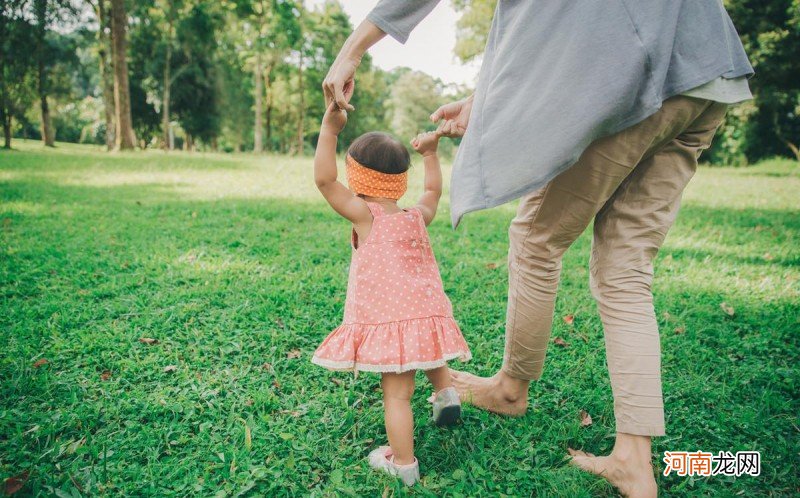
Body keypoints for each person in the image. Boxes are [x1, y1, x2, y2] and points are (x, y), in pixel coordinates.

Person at [321, 1, 753, 497]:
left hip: (636, 72)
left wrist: (352, 50)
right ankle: (634, 459)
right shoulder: (413, 213)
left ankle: (511, 389)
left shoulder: (366, 212)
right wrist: (482, 98)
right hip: (707, 67)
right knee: (626, 274)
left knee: (536, 241)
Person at [310, 102, 471, 486]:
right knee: (428, 348)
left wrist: (329, 130)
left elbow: (324, 182)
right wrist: (431, 154)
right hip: (427, 308)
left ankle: (403, 464)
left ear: (359, 178)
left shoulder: (364, 215)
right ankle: (445, 394)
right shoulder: (417, 215)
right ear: (398, 181)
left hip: (390, 318)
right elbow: (432, 189)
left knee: (397, 396)